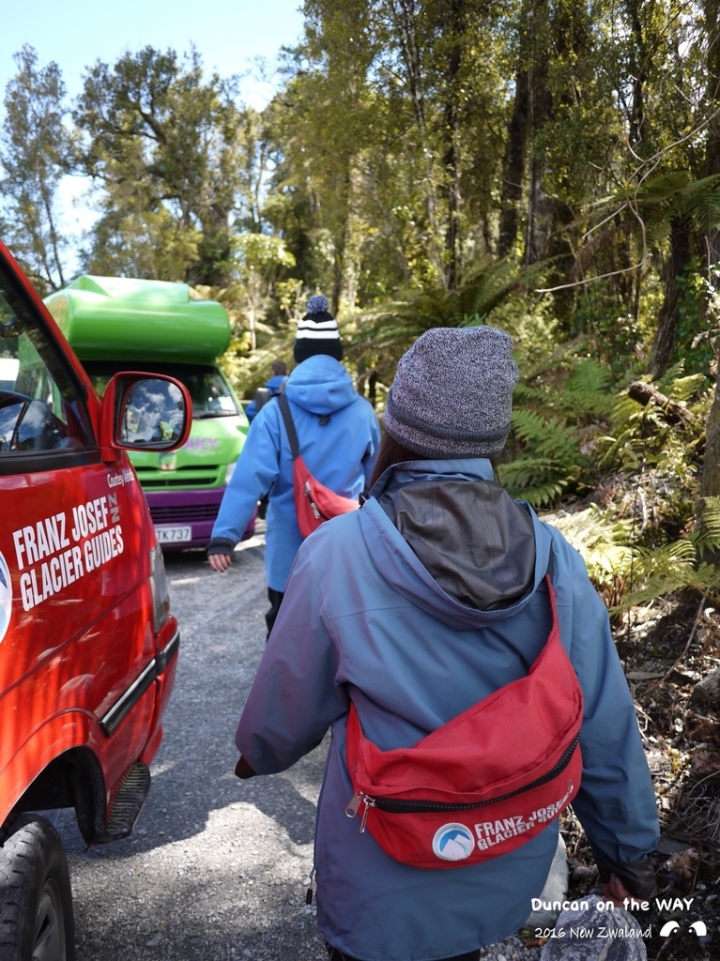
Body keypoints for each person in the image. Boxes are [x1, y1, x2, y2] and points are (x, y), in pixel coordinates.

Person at [232, 326, 660, 961]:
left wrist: (258, 753)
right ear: (494, 437)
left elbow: (287, 703)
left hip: (379, 887)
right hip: (507, 866)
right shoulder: (554, 563)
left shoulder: (337, 557)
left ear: (399, 425)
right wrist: (627, 853)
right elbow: (599, 719)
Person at [208, 295, 381, 635]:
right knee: (342, 637)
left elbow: (248, 480)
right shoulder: (362, 413)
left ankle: (285, 690)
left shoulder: (275, 414)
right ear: (337, 354)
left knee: (286, 638)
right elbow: (379, 486)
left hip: (289, 556)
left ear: (298, 356)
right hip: (345, 554)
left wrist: (224, 537)